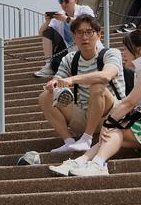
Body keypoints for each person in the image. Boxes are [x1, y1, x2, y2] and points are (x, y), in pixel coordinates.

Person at [51, 30, 141, 177]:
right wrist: (115, 123)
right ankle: (81, 161)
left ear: (138, 50)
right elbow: (139, 105)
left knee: (113, 129)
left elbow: (130, 102)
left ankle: (98, 164)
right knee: (114, 131)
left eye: (125, 48)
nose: (122, 52)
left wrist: (108, 124)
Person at [39, 14, 124, 156]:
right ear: (73, 36)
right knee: (45, 96)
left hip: (112, 115)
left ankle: (87, 138)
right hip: (84, 115)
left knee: (97, 85)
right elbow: (58, 78)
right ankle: (69, 142)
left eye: (89, 32)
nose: (84, 37)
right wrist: (53, 84)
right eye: (79, 33)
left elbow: (106, 75)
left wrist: (72, 80)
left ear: (99, 35)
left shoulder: (111, 53)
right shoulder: (70, 59)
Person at [34, 0, 99, 78]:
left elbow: (90, 25)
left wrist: (66, 19)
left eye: (66, 1)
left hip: (88, 47)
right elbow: (42, 33)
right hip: (69, 50)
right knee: (48, 32)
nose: (63, 4)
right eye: (61, 2)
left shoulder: (84, 10)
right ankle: (48, 65)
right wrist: (47, 22)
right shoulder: (60, 15)